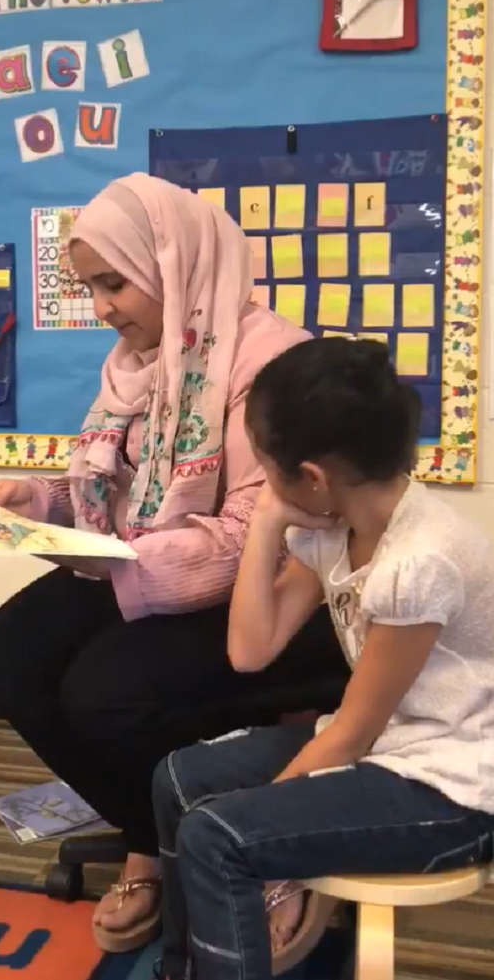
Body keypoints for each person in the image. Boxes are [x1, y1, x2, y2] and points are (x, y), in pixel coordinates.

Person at [0, 175, 350, 952]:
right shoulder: (138, 361)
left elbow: (263, 528)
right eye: (90, 287)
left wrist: (123, 559)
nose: (103, 307)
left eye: (114, 282)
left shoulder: (270, 357)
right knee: (7, 651)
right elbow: (112, 489)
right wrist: (35, 502)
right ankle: (152, 829)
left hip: (274, 593)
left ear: (174, 262)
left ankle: (271, 846)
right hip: (151, 563)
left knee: (105, 694)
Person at [152, 336, 494, 980]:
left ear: (311, 477)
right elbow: (250, 652)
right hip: (389, 747)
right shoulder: (341, 527)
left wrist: (261, 828)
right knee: (179, 780)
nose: (262, 484)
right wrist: (265, 524)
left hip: (455, 790)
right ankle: (183, 967)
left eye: (265, 469)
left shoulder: (418, 563)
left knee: (218, 836)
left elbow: (351, 733)